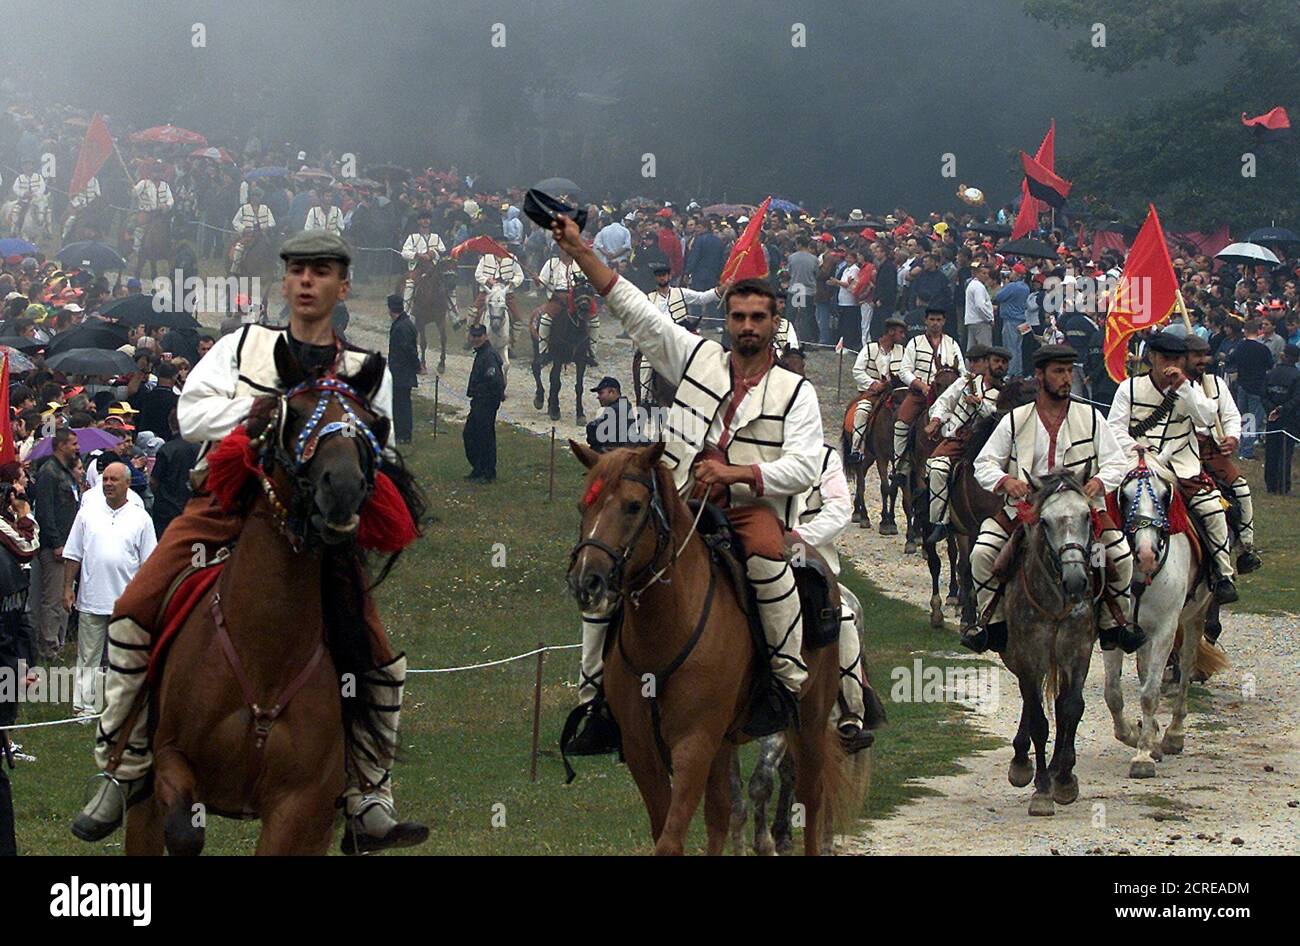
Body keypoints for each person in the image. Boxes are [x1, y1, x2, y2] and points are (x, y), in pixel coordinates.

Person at [71, 231, 427, 855]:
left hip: (317, 525)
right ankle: (121, 766)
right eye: (298, 271)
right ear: (285, 283)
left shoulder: (365, 370)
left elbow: (386, 451)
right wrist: (265, 414)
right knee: (133, 609)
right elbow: (189, 413)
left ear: (343, 286)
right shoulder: (241, 346)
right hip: (226, 502)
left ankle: (370, 790)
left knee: (374, 651)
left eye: (323, 272)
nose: (308, 281)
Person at [553, 212, 821, 745]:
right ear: (726, 320)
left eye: (757, 317)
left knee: (770, 563)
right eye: (738, 316)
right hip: (678, 501)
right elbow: (632, 308)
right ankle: (594, 698)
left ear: (774, 323)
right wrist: (581, 251)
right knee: (606, 562)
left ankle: (785, 682)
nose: (747, 326)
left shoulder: (797, 392)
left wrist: (738, 471)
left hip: (750, 509)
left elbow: (805, 467)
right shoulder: (696, 358)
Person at [966, 345, 1140, 654]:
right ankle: (992, 624)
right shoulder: (1015, 420)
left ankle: (1114, 625)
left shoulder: (1092, 417)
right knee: (982, 554)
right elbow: (984, 463)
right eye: (1058, 371)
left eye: (1069, 371)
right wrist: (1007, 481)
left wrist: (1099, 481)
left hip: (1082, 516)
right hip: (1026, 512)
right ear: (1040, 375)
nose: (1066, 378)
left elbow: (1117, 462)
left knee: (1119, 558)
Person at [780, 346, 883, 752]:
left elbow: (840, 507)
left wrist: (799, 538)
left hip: (812, 562)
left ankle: (851, 711)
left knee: (843, 617)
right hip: (760, 552)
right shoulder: (758, 455)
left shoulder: (825, 460)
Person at [1107, 332, 1238, 603]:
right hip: (1137, 462)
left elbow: (1205, 418)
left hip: (1181, 464)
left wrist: (1184, 389)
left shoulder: (1192, 388)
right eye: (1166, 358)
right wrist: (1134, 448)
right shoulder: (1128, 388)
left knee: (1212, 509)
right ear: (1152, 358)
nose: (1171, 364)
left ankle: (1223, 573)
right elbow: (1115, 428)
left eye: (1177, 359)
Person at [62, 463, 157, 720]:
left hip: (127, 602)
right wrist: (68, 588)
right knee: (88, 656)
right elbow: (73, 554)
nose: (108, 484)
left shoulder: (141, 518)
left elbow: (149, 564)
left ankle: (123, 708)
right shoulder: (87, 514)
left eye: (114, 479)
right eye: (105, 479)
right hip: (92, 598)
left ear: (127, 483)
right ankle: (84, 707)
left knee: (125, 658)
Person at [1184, 335, 1260, 573]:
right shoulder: (1171, 386)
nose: (1202, 361)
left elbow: (1231, 415)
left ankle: (1246, 548)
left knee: (1241, 489)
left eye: (1204, 355)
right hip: (1181, 453)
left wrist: (1232, 437)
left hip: (1210, 452)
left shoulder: (1216, 384)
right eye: (1196, 356)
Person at [923, 344, 1006, 543]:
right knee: (937, 467)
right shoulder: (966, 382)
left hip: (988, 442)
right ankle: (939, 521)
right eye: (996, 361)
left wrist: (980, 404)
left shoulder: (1005, 392)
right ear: (987, 364)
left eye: (1004, 363)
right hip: (960, 438)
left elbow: (999, 416)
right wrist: (936, 420)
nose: (1000, 366)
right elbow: (943, 402)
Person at [892, 306, 965, 481]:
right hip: (920, 394)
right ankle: (901, 465)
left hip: (948, 397)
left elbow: (962, 371)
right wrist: (921, 386)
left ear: (944, 322)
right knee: (901, 422)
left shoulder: (952, 344)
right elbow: (904, 371)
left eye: (939, 320)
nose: (935, 323)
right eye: (932, 319)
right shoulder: (915, 342)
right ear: (926, 321)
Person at [32, 428, 81, 659]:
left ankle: (58, 643)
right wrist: (56, 543)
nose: (77, 448)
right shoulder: (49, 473)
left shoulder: (66, 473)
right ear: (61, 445)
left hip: (70, 545)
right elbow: (45, 511)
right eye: (73, 443)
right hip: (56, 548)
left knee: (64, 597)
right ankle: (48, 648)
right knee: (52, 599)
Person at [848, 315, 907, 460]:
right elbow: (857, 370)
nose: (903, 336)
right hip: (872, 394)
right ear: (891, 332)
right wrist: (873, 384)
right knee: (862, 411)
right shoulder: (869, 349)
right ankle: (857, 449)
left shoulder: (903, 351)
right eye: (900, 332)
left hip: (895, 394)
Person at [464, 323, 504, 482]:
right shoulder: (482, 353)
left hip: (485, 402)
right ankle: (478, 468)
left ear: (485, 336)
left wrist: (484, 394)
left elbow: (495, 380)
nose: (476, 339)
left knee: (485, 437)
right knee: (471, 434)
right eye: (473, 336)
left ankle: (488, 472)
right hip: (479, 401)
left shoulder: (489, 355)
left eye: (479, 336)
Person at [1264, 344, 1300, 493]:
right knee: (1285, 452)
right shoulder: (1297, 376)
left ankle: (1271, 484)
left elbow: (1263, 394)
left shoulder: (1271, 373)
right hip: (1289, 418)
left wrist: (1271, 408)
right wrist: (1282, 409)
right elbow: (1297, 398)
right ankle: (1283, 486)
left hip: (1272, 417)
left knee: (1271, 451)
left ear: (1283, 356)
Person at [387, 293, 420, 444]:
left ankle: (404, 435)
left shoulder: (401, 326)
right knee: (400, 403)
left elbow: (408, 350)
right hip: (401, 371)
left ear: (391, 309)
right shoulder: (405, 323)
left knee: (402, 405)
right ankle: (400, 433)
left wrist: (417, 366)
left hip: (402, 371)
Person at [399, 210, 447, 310]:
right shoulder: (412, 237)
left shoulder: (436, 237)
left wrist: (433, 253)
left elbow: (443, 249)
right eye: (423, 218)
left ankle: (453, 315)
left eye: (428, 218)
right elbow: (404, 252)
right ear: (419, 221)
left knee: (448, 285)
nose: (426, 220)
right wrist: (417, 254)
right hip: (418, 267)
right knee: (410, 285)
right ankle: (406, 311)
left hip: (434, 267)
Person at [584, 376, 645, 452]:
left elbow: (593, 434)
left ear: (612, 392)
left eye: (601, 393)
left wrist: (591, 427)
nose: (598, 397)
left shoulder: (616, 409)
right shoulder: (622, 406)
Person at [130, 164, 174, 257]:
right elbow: (134, 194)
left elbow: (170, 199)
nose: (157, 174)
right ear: (151, 173)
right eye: (155, 172)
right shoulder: (143, 183)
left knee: (170, 227)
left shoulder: (165, 185)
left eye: (159, 172)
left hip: (160, 214)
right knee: (140, 229)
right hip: (146, 212)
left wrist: (167, 205)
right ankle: (137, 249)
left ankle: (168, 246)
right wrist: (133, 190)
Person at [229, 187, 275, 272]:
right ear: (251, 197)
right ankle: (234, 269)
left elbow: (272, 222)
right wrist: (243, 228)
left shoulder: (265, 208)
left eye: (258, 196)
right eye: (254, 196)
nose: (256, 198)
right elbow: (235, 221)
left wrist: (266, 226)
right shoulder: (243, 208)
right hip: (248, 235)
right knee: (239, 248)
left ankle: (274, 268)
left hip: (262, 235)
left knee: (273, 247)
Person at [963, 261, 995, 349]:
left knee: (972, 349)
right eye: (983, 273)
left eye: (987, 273)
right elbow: (980, 305)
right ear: (976, 273)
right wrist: (989, 318)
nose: (986, 276)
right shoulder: (978, 287)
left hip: (972, 321)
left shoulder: (972, 284)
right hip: (981, 322)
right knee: (985, 349)